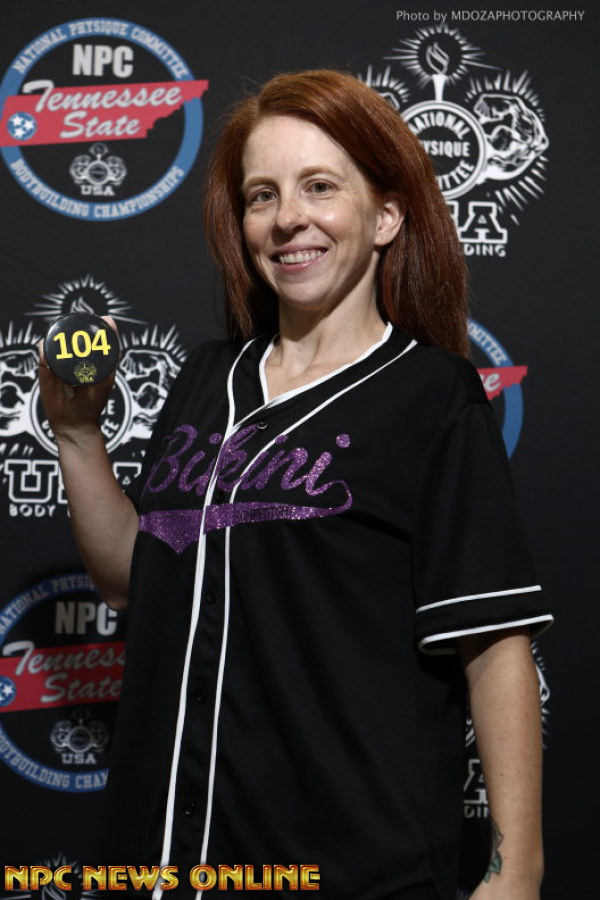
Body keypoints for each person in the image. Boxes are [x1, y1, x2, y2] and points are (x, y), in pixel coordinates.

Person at [39, 70, 552, 900]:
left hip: (346, 866)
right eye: (262, 195)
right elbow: (136, 575)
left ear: (386, 216)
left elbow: (493, 646)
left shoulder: (432, 395)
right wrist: (76, 431)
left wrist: (515, 866)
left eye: (320, 186)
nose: (287, 219)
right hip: (157, 859)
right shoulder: (207, 377)